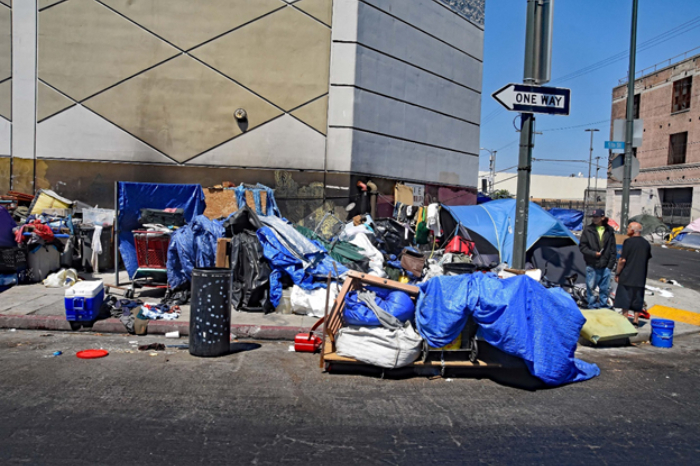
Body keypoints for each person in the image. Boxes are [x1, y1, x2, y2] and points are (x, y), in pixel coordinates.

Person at [615, 222, 652, 326]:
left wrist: (618, 273)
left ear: (633, 230)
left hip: (627, 275)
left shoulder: (628, 242)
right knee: (638, 298)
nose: (627, 229)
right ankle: (636, 319)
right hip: (640, 276)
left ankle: (625, 318)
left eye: (628, 228)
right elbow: (647, 257)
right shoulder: (646, 243)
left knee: (625, 297)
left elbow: (622, 260)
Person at [578, 209, 617, 309]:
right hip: (592, 264)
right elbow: (582, 247)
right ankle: (592, 306)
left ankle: (603, 306)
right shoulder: (588, 230)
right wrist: (593, 254)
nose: (594, 219)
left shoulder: (609, 230)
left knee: (604, 289)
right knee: (591, 288)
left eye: (597, 217)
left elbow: (613, 249)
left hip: (605, 265)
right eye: (593, 217)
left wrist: (610, 266)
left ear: (602, 218)